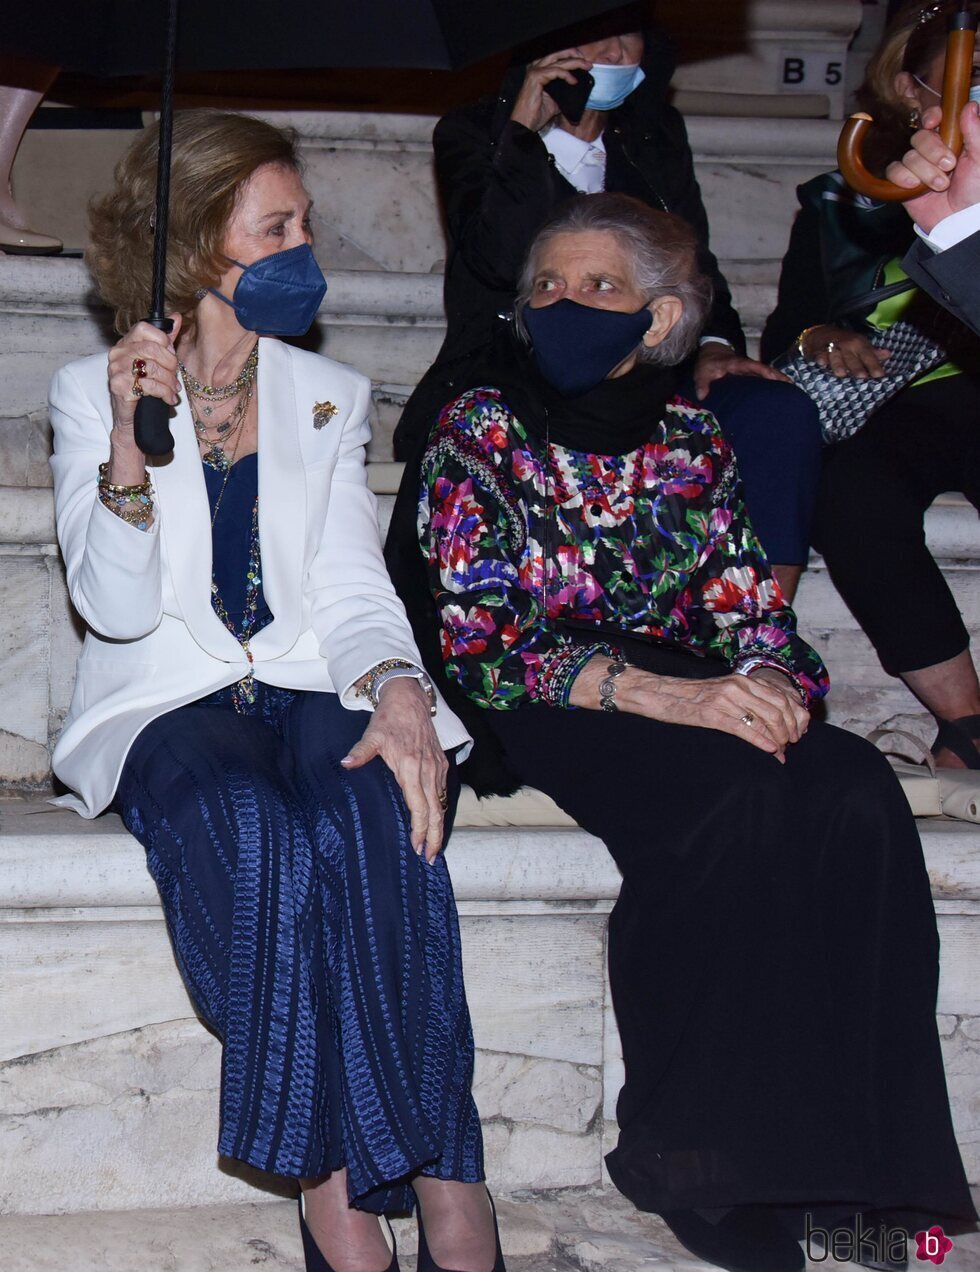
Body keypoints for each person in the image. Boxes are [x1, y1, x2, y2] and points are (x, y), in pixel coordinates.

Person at [394, 192, 977, 1271]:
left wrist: (769, 680)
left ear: (662, 321)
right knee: (729, 801)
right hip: (546, 689)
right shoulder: (476, 421)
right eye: (548, 287)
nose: (566, 302)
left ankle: (871, 1174)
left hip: (685, 676)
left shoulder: (689, 435)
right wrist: (676, 698)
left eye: (599, 286)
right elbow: (478, 638)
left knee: (852, 790)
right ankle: (695, 1162)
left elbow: (747, 608)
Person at [48, 109, 504, 1272]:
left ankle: (449, 1167)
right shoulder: (87, 392)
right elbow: (112, 607)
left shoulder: (325, 391)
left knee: (378, 811)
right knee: (246, 832)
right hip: (169, 700)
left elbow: (352, 586)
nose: (308, 245)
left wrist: (399, 684)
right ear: (202, 248)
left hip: (307, 679)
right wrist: (126, 448)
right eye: (281, 225)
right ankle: (330, 1179)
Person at [391, 7, 822, 603]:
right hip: (523, 368)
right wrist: (525, 131)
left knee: (774, 412)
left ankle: (759, 633)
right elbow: (498, 262)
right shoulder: (475, 133)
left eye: (629, 33)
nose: (616, 53)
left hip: (647, 366)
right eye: (595, 34)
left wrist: (716, 345)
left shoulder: (653, 134)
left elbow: (692, 259)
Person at [762, 0, 980, 770]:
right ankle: (967, 724)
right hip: (896, 399)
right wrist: (822, 335)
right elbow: (788, 326)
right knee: (848, 493)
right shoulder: (841, 198)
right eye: (967, 80)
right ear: (912, 91)